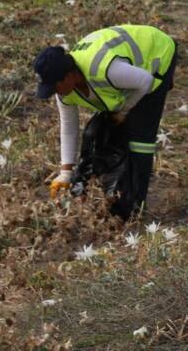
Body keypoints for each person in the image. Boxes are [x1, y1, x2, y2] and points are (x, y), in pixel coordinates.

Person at [34, 24, 178, 219]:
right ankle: (111, 195)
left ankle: (135, 209)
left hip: (156, 55)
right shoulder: (65, 92)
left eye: (55, 86)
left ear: (69, 75)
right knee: (97, 133)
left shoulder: (105, 69)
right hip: (130, 75)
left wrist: (124, 111)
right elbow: (68, 127)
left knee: (139, 140)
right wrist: (65, 172)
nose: (55, 92)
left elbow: (145, 81)